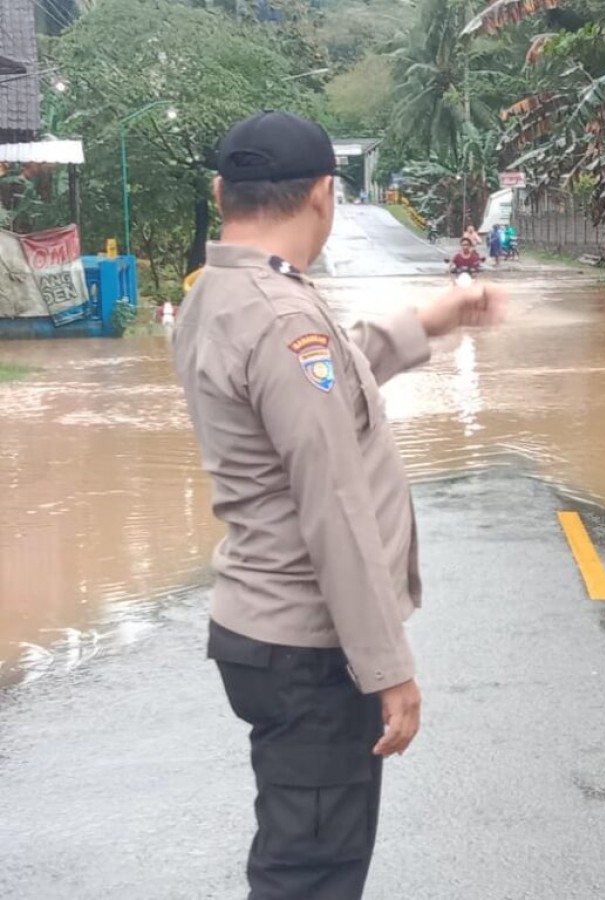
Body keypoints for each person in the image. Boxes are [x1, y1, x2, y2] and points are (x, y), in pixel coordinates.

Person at [171, 111, 504, 899]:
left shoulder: (219, 295)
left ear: (223, 194)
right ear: (324, 194)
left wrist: (434, 317)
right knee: (310, 873)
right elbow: (334, 504)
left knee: (304, 853)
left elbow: (333, 371)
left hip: (259, 629)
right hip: (310, 652)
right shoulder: (285, 319)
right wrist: (388, 668)